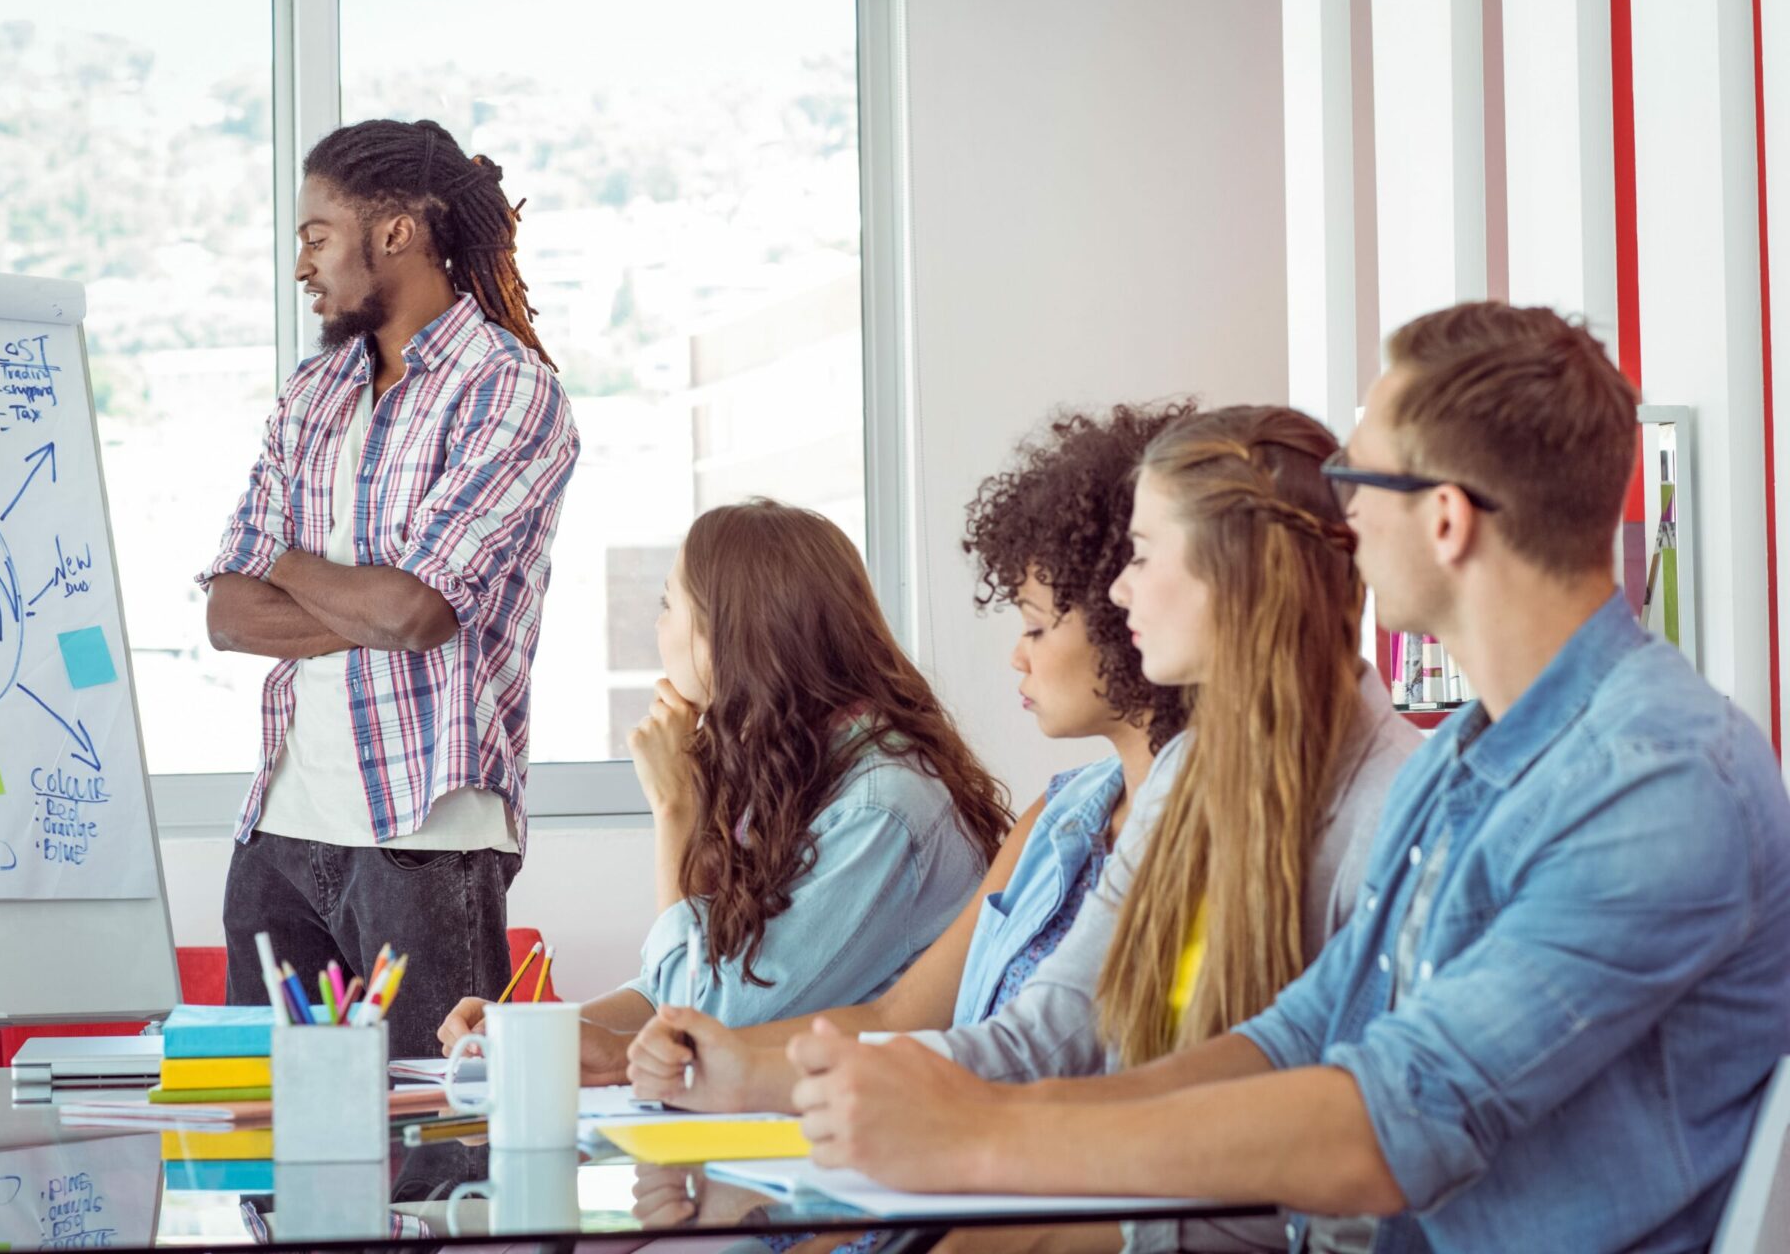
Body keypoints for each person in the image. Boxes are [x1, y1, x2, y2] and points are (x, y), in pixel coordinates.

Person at [789, 305, 1790, 1254]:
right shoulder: (1469, 754)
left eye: (1363, 475)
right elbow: (1301, 1030)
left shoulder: (1654, 782)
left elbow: (1396, 1116)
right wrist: (999, 1110)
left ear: (1445, 520)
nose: (1341, 511)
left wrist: (981, 1142)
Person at [625, 402, 1195, 1119]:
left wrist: (675, 813)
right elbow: (901, 1017)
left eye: (1035, 626)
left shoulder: (886, 804)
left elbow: (1022, 1052)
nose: (1016, 654)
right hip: (958, 1146)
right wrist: (594, 1040)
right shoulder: (1060, 815)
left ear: (1126, 624)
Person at [196, 117, 579, 1058]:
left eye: (316, 235)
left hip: (424, 830)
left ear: (397, 231)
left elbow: (416, 614)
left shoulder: (508, 391)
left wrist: (282, 558)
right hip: (280, 835)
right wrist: (356, 596)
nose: (301, 265)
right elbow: (226, 615)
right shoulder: (311, 394)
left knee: (434, 1155)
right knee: (272, 1155)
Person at [439, 499, 1008, 1082]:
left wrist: (673, 811)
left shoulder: (882, 808)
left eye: (668, 604)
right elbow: (675, 984)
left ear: (725, 637)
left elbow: (702, 1017)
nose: (657, 628)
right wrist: (530, 1033)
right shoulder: (792, 772)